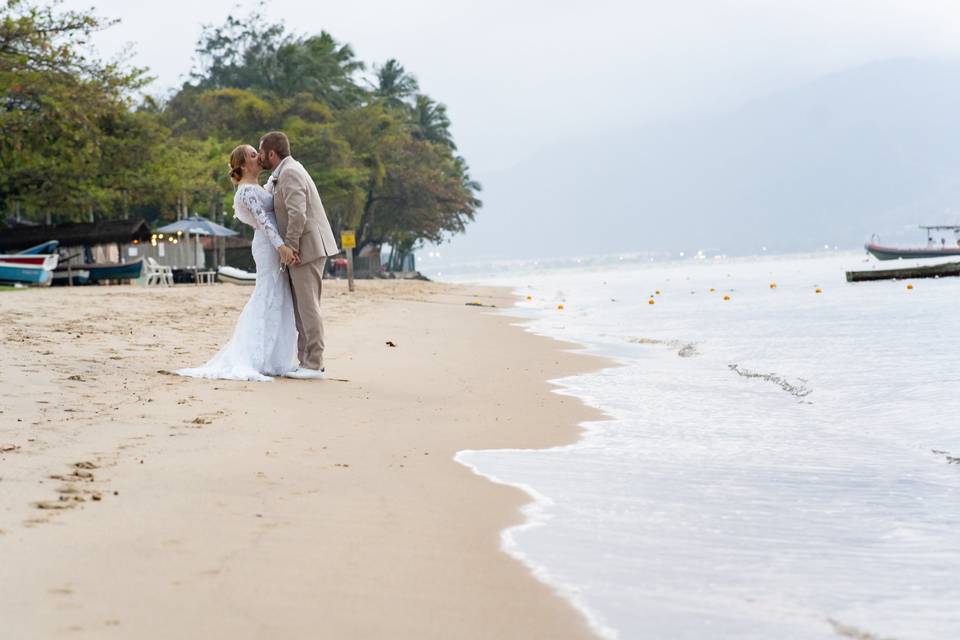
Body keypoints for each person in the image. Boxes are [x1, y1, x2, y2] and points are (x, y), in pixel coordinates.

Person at [176, 144, 297, 381]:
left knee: (277, 296)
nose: (259, 157)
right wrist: (281, 246)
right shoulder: (246, 191)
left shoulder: (256, 187)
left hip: (270, 244)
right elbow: (263, 221)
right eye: (253, 155)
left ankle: (273, 358)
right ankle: (256, 357)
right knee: (266, 296)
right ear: (243, 165)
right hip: (268, 245)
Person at [258, 131, 339, 380]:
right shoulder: (283, 172)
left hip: (307, 248)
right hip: (303, 248)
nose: (259, 157)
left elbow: (298, 214)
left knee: (308, 306)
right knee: (302, 308)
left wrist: (290, 247)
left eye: (261, 152)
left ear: (272, 153)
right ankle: (306, 361)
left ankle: (314, 364)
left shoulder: (290, 172)